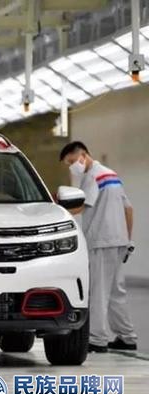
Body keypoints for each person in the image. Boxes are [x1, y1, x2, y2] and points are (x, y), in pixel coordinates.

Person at [60, 141, 136, 353]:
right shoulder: (112, 175)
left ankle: (97, 339)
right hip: (119, 241)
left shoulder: (92, 176)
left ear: (83, 155)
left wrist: (57, 209)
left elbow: (80, 207)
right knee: (116, 292)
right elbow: (129, 209)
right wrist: (128, 240)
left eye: (72, 161)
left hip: (101, 241)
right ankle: (127, 337)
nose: (72, 167)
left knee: (98, 291)